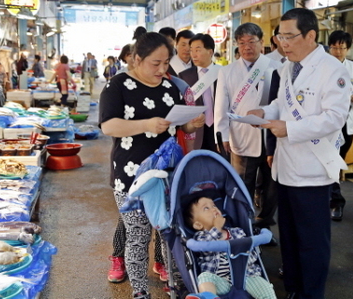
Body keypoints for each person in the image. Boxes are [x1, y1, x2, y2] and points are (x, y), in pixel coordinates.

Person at [247, 8, 351, 299]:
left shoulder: (333, 71)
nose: (284, 43)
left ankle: (311, 292)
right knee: (290, 236)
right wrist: (263, 112)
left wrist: (289, 129)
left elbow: (334, 118)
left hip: (312, 170)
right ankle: (293, 285)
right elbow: (280, 105)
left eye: (290, 37)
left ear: (311, 35)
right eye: (281, 37)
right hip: (285, 167)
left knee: (312, 239)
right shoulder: (286, 67)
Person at [99, 32, 205, 299]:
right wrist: (145, 125)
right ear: (136, 59)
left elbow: (180, 124)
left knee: (170, 235)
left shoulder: (170, 88)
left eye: (166, 63)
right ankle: (139, 291)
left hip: (166, 176)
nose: (162, 69)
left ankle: (175, 286)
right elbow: (108, 126)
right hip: (131, 178)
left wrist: (192, 123)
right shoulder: (118, 85)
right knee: (137, 236)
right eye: (155, 63)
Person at [214, 23, 280, 232]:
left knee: (272, 188)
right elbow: (221, 105)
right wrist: (222, 134)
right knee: (242, 186)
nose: (247, 47)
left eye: (252, 41)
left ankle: (265, 226)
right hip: (241, 136)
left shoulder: (276, 67)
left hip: (272, 136)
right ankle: (243, 228)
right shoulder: (227, 71)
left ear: (262, 43)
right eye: (242, 43)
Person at [183, 193, 276, 299]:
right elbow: (204, 245)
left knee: (266, 289)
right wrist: (217, 227)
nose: (213, 209)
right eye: (206, 208)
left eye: (214, 205)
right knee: (204, 277)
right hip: (220, 280)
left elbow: (250, 252)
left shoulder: (237, 232)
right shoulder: (201, 237)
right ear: (198, 225)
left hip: (247, 275)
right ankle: (208, 296)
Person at [327, 30, 353, 221]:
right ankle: (335, 202)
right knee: (330, 162)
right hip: (328, 123)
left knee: (337, 162)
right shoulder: (322, 66)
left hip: (346, 123)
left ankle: (330, 198)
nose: (338, 51)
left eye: (342, 48)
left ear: (348, 49)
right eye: (334, 47)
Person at [179, 33, 221, 152]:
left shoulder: (223, 72)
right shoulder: (185, 76)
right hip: (196, 131)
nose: (193, 54)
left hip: (218, 130)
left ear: (210, 52)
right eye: (191, 50)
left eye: (198, 50)